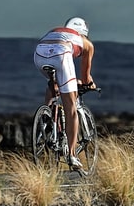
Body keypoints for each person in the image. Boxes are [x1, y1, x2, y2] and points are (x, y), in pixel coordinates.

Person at [33, 17, 96, 170]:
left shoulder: (56, 30)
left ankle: (47, 119)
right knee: (71, 109)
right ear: (84, 33)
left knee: (54, 85)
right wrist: (89, 84)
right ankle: (72, 155)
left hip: (39, 53)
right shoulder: (87, 43)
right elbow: (86, 77)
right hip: (61, 54)